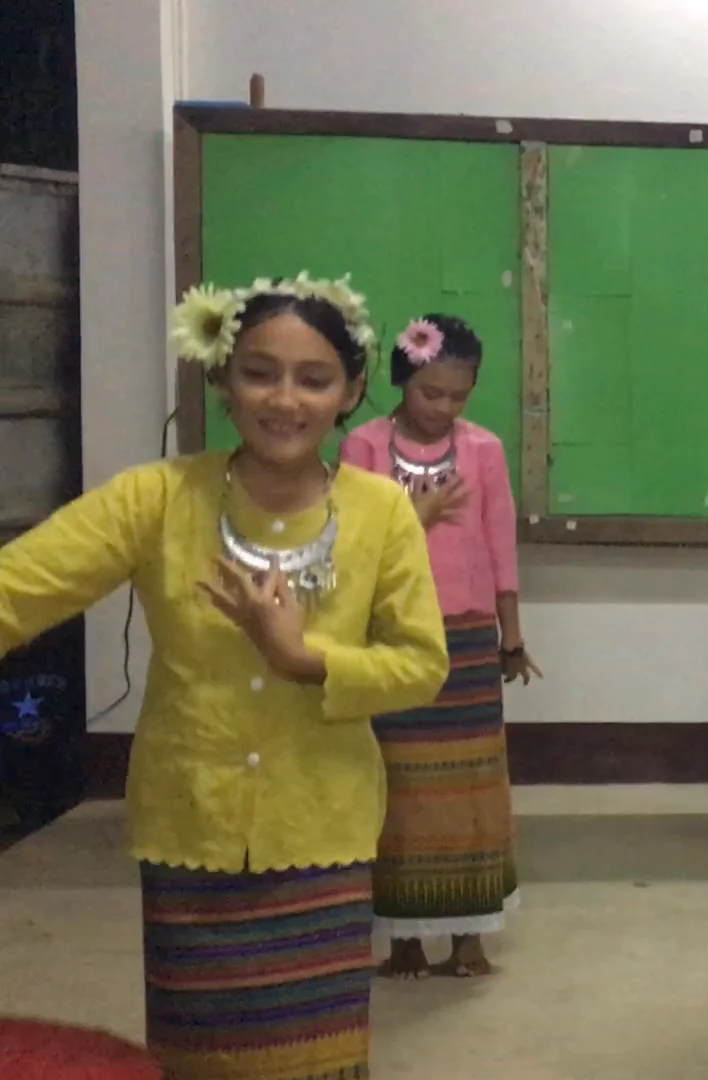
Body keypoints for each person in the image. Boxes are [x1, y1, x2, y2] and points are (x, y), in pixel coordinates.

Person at [0, 273, 449, 1080]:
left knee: (318, 1064)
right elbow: (18, 589)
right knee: (202, 1059)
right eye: (258, 372)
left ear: (349, 392)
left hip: (323, 830)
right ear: (219, 378)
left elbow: (420, 666)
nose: (284, 399)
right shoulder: (157, 497)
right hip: (191, 829)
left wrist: (302, 657)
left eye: (314, 380)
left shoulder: (381, 512)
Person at [339, 313, 532, 981]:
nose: (444, 407)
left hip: (469, 635)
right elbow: (352, 544)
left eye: (458, 395)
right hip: (391, 635)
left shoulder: (484, 450)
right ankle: (405, 941)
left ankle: (469, 936)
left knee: (473, 785)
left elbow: (499, 543)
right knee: (401, 787)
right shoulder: (362, 447)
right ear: (401, 380)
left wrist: (512, 633)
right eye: (430, 394)